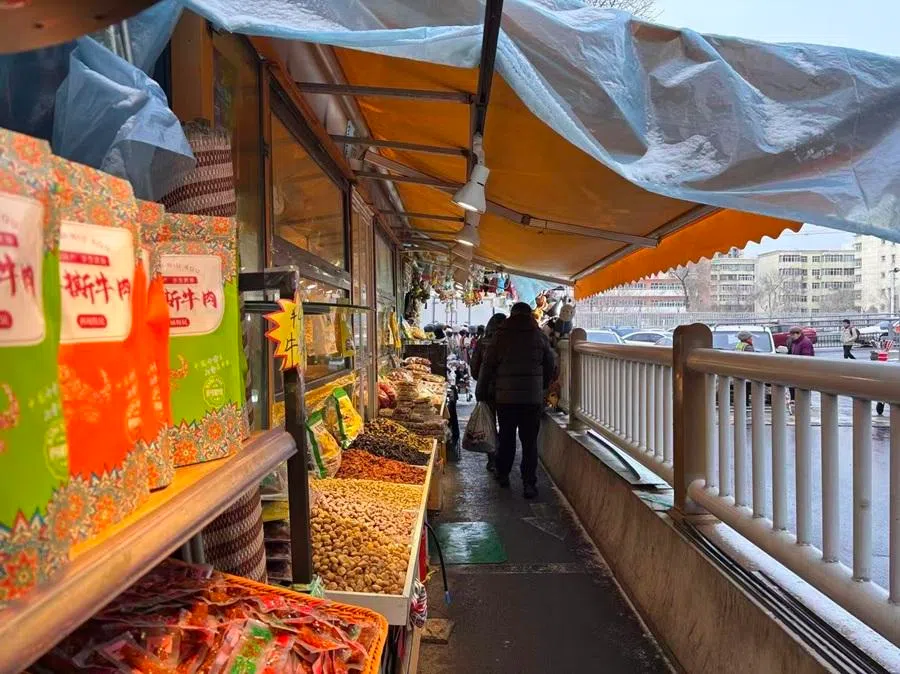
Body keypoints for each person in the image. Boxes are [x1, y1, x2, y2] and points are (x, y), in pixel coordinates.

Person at [480, 302, 557, 499]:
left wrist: (482, 390)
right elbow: (550, 363)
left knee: (506, 438)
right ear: (529, 314)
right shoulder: (538, 334)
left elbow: (487, 365)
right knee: (530, 442)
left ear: (512, 315)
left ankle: (503, 474)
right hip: (532, 399)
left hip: (506, 399)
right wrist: (542, 385)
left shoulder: (501, 335)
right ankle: (529, 483)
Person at [471, 314, 506, 473]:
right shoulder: (510, 343)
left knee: (489, 425)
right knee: (507, 426)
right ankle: (503, 459)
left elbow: (474, 368)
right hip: (507, 390)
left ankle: (492, 459)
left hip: (487, 390)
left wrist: (483, 380)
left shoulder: (482, 343)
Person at [788, 326, 814, 413]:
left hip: (802, 370)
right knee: (794, 386)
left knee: (803, 388)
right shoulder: (795, 342)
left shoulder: (805, 343)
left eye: (792, 335)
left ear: (798, 334)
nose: (791, 336)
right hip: (796, 369)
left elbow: (806, 357)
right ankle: (795, 403)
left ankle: (804, 405)